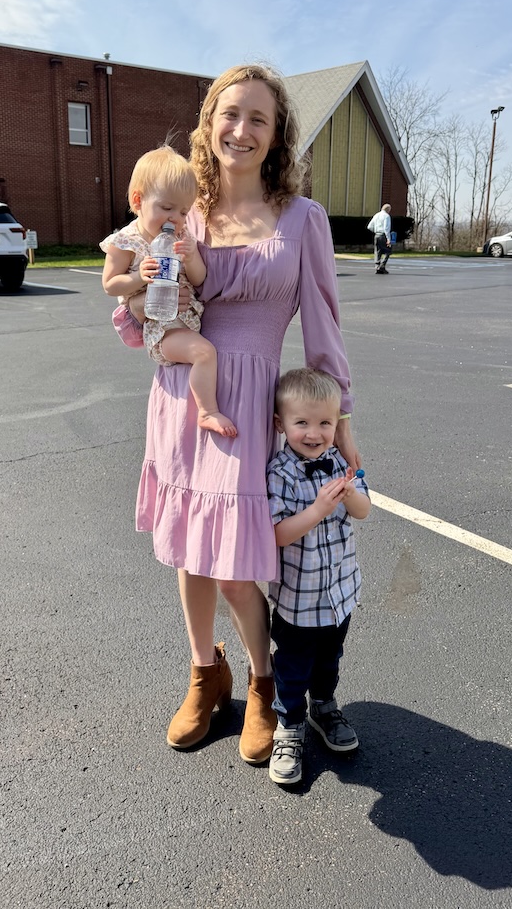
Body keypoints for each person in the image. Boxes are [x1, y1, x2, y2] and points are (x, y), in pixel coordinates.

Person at [114, 64, 360, 766]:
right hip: (186, 391)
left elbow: (324, 328)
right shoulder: (184, 210)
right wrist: (135, 295)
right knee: (189, 547)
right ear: (208, 123)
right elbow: (142, 295)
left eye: (258, 117)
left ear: (277, 132)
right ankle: (203, 671)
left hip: (254, 403)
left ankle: (262, 683)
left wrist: (341, 426)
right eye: (229, 113)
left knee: (238, 563)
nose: (240, 129)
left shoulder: (303, 218)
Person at [266, 367, 371, 786]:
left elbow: (365, 511)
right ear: (281, 424)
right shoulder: (281, 472)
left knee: (330, 659)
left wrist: (350, 494)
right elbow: (276, 533)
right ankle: (288, 726)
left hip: (339, 592)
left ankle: (323, 707)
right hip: (297, 599)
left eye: (325, 423)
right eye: (302, 422)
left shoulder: (343, 464)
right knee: (292, 666)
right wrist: (316, 511)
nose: (314, 433)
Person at [101, 146, 237, 437]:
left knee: (209, 353)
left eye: (184, 211)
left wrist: (192, 257)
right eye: (167, 208)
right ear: (138, 200)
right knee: (204, 353)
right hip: (162, 331)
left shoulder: (182, 237)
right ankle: (207, 411)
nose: (175, 218)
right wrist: (139, 277)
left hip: (186, 321)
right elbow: (110, 284)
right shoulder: (126, 241)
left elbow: (199, 279)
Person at [368, 203, 393, 273]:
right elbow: (386, 228)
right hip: (383, 235)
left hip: (377, 235)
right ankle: (382, 266)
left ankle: (377, 266)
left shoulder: (376, 215)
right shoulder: (386, 216)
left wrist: (376, 231)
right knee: (388, 251)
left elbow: (369, 226)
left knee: (377, 251)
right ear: (388, 210)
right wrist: (388, 239)